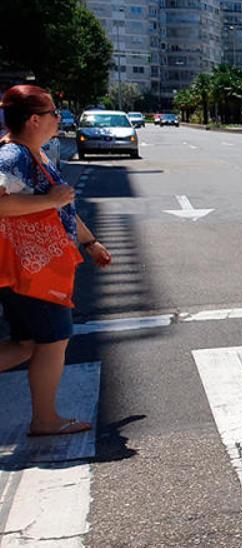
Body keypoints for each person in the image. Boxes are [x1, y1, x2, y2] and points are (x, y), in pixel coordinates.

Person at [0, 85, 112, 436]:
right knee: (53, 342)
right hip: (31, 270)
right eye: (52, 113)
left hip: (35, 267)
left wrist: (88, 241)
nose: (58, 119)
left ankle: (45, 417)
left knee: (26, 345)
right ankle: (45, 420)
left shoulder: (35, 154)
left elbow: (60, 203)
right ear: (34, 120)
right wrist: (50, 202)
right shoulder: (12, 157)